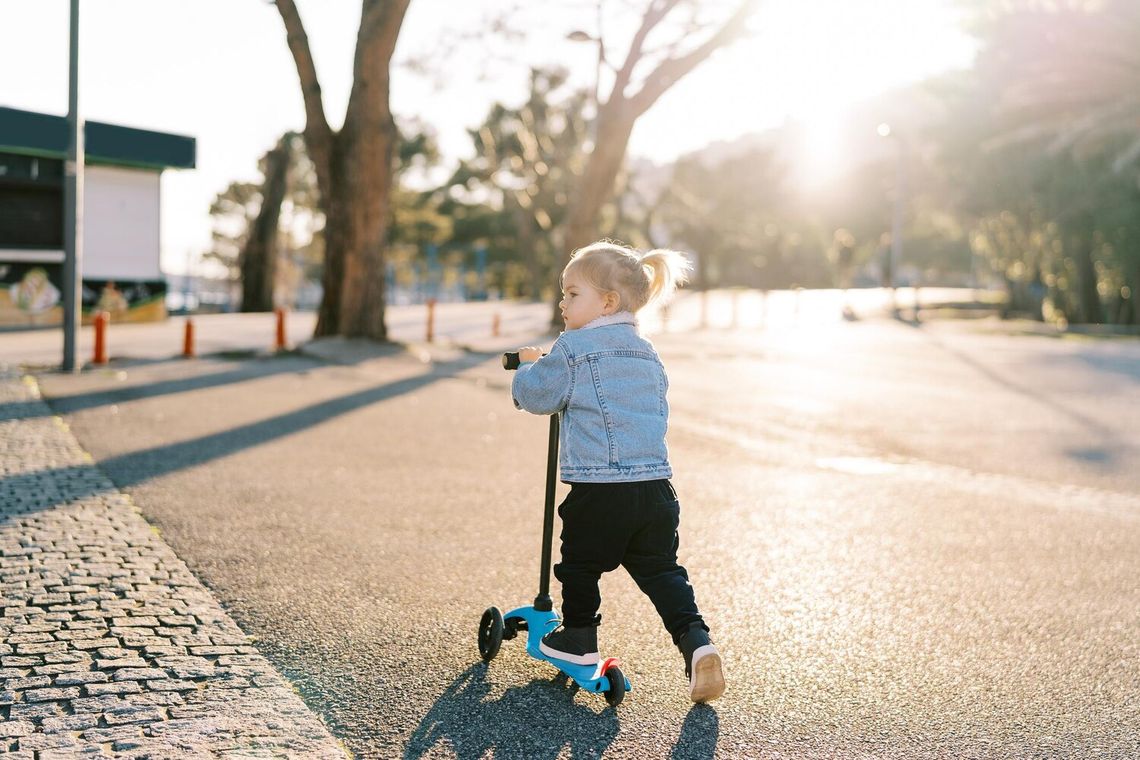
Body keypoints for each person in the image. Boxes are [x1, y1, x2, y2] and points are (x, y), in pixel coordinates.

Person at [511, 240, 725, 703]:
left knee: (580, 565)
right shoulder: (647, 352)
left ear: (607, 302)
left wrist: (530, 366)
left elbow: (539, 397)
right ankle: (696, 643)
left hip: (601, 490)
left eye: (572, 294)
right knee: (662, 571)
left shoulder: (573, 347)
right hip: (655, 489)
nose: (562, 303)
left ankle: (580, 639)